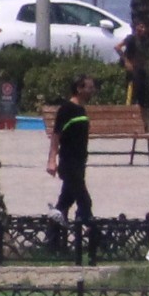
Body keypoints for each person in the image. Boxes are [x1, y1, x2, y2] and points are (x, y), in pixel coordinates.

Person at [46, 75, 95, 227]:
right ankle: (95, 238)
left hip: (80, 163)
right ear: (79, 89)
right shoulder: (67, 109)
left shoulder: (81, 110)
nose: (93, 91)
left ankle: (53, 236)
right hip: (69, 163)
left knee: (65, 201)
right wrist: (52, 160)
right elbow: (56, 135)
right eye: (90, 88)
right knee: (84, 201)